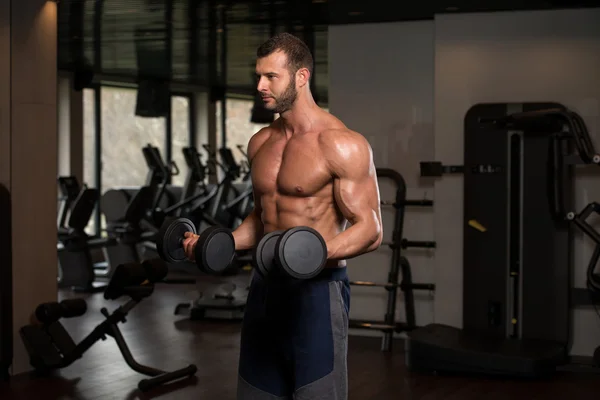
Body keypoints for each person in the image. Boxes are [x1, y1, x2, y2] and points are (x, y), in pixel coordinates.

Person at [183, 32, 383, 400]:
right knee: (257, 392)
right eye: (258, 75)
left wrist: (314, 254)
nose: (260, 85)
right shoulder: (261, 142)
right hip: (264, 288)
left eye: (271, 76)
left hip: (317, 293)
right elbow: (261, 219)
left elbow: (370, 229)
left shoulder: (341, 143)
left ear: (301, 77)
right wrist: (219, 243)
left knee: (316, 393)